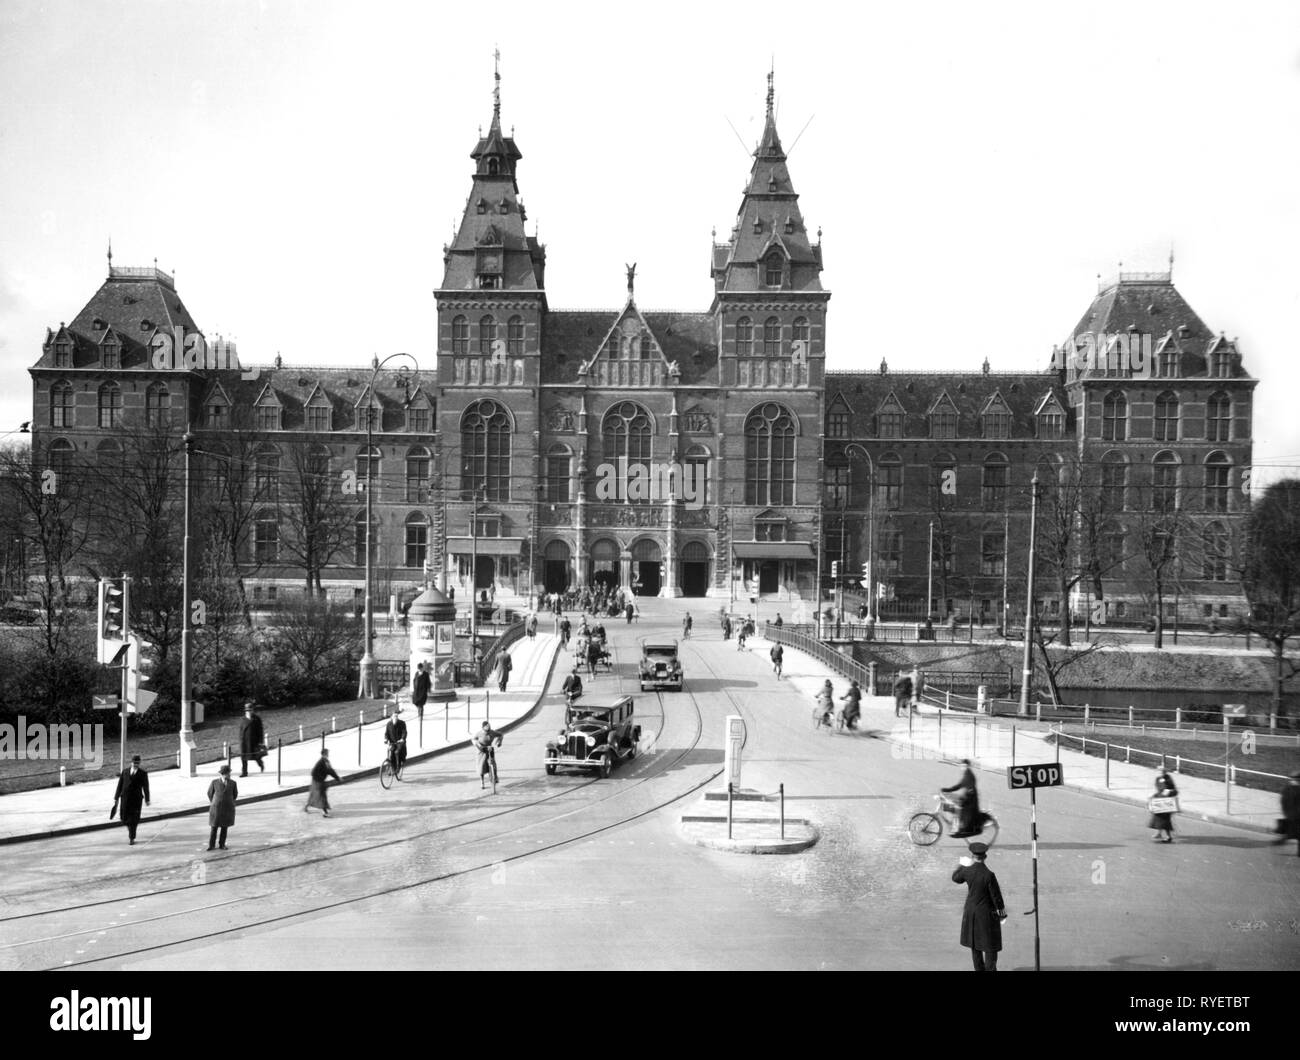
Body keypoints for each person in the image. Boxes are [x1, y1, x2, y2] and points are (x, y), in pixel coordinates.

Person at [951, 842, 1006, 971]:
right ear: (985, 856)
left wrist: (961, 865)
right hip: (986, 915)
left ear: (972, 856)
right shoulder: (989, 875)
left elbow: (955, 878)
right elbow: (996, 898)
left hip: (971, 913)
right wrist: (1002, 915)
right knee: (990, 947)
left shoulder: (967, 870)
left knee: (975, 946)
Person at [112, 754, 150, 845]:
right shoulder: (125, 772)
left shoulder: (143, 774)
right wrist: (116, 797)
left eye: (137, 763)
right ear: (131, 762)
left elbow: (146, 787)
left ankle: (132, 837)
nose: (135, 764)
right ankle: (130, 830)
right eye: (134, 763)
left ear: (139, 763)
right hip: (125, 799)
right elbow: (120, 785)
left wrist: (147, 799)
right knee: (124, 818)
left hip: (136, 800)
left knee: (134, 820)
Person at [942, 759, 982, 838]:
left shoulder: (969, 775)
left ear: (968, 766)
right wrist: (947, 790)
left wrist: (948, 790)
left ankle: (957, 828)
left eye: (965, 766)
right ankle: (953, 823)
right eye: (962, 766)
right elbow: (960, 785)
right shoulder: (966, 774)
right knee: (950, 805)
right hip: (967, 796)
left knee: (957, 809)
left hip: (970, 798)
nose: (964, 767)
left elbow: (965, 787)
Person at [207, 764, 237, 850]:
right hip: (216, 809)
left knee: (224, 828)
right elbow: (210, 793)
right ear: (223, 774)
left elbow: (235, 795)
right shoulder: (214, 782)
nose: (229, 775)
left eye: (229, 773)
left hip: (227, 809)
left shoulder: (233, 783)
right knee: (214, 827)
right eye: (228, 773)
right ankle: (211, 845)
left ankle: (222, 844)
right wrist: (214, 802)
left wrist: (228, 802)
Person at [305, 748, 340, 817]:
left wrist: (337, 777)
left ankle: (306, 807)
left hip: (318, 780)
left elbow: (330, 770)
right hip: (318, 781)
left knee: (316, 795)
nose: (328, 754)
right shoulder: (323, 761)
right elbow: (315, 772)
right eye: (327, 753)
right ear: (324, 754)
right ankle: (325, 812)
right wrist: (337, 778)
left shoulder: (324, 761)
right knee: (321, 796)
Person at [1148, 768, 1179, 843]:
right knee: (1157, 817)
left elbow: (1175, 791)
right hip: (1159, 801)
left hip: (1167, 803)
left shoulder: (1168, 779)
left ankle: (1168, 836)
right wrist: (1153, 796)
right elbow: (1158, 789)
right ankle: (1159, 833)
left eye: (1162, 772)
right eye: (1159, 771)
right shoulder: (1158, 779)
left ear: (1165, 772)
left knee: (1165, 820)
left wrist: (1169, 791)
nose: (1160, 773)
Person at [1275, 772, 1300, 855]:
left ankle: (1284, 839)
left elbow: (1283, 801)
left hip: (1290, 814)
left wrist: (1285, 812)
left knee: (1292, 830)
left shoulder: (1287, 788)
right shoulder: (1295, 789)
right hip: (1296, 814)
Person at [473, 721, 504, 789]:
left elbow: (501, 734)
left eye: (489, 726)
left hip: (489, 748)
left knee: (493, 763)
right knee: (481, 766)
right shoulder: (479, 733)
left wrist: (499, 742)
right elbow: (473, 739)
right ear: (483, 727)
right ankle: (482, 781)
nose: (488, 727)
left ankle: (495, 776)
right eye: (486, 726)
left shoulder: (492, 732)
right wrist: (477, 744)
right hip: (481, 750)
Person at [238, 702, 266, 777]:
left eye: (250, 710)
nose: (248, 712)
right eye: (247, 710)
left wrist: (261, 742)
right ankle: (244, 772)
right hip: (244, 742)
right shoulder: (243, 719)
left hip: (254, 741)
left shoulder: (257, 719)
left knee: (256, 756)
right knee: (243, 758)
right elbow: (241, 731)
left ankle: (261, 764)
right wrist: (241, 740)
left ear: (252, 710)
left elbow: (260, 731)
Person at [384, 707, 408, 774]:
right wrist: (386, 739)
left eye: (397, 716)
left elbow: (404, 732)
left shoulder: (402, 723)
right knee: (390, 752)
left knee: (397, 752)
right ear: (391, 717)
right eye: (394, 716)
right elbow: (386, 733)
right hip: (392, 742)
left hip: (400, 743)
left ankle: (398, 766)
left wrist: (402, 739)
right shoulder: (389, 724)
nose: (396, 717)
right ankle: (391, 767)